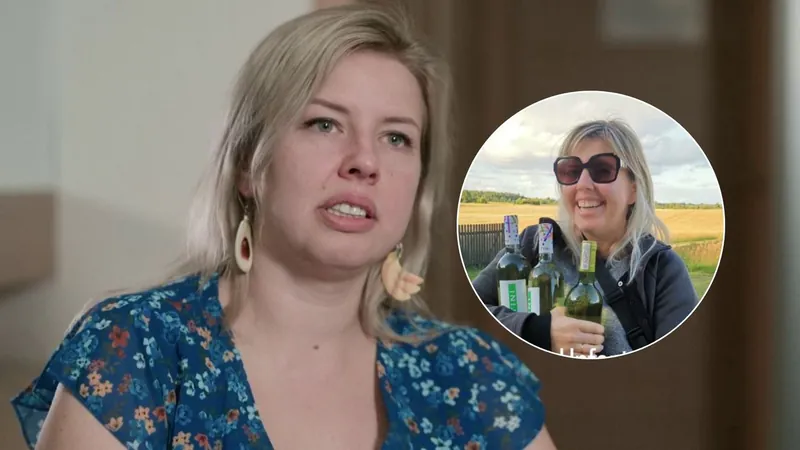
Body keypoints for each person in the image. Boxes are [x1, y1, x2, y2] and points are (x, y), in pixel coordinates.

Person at [10, 4, 557, 450]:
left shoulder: (471, 375)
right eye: (325, 123)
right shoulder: (137, 347)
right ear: (249, 165)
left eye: (396, 138)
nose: (365, 161)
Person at [472, 119, 698, 357]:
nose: (582, 184)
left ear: (633, 188)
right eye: (571, 171)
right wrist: (537, 330)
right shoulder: (535, 244)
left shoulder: (660, 270)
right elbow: (463, 311)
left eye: (602, 170)